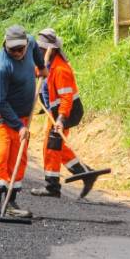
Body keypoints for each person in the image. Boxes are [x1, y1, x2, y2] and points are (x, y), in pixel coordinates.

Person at [0, 25, 46, 217]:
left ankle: (10, 202)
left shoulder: (31, 43)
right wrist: (18, 127)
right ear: (6, 46)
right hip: (0, 115)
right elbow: (1, 103)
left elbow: (35, 48)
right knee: (1, 154)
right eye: (13, 50)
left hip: (22, 116)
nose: (18, 53)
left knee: (18, 158)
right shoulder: (2, 68)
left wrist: (41, 67)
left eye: (21, 49)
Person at [31, 28, 95, 198]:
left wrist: (60, 118)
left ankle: (52, 187)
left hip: (68, 112)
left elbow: (66, 99)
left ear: (51, 49)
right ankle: (85, 172)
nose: (39, 51)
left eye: (42, 49)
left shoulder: (61, 70)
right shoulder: (46, 63)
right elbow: (38, 74)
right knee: (57, 145)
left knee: (52, 145)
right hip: (54, 111)